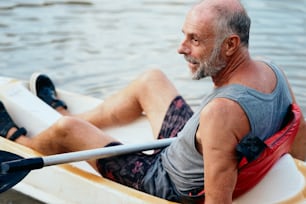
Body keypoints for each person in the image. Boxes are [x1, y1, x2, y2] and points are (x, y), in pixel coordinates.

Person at [1, 0, 306, 203]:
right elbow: (298, 130)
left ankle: (21, 140)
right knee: (152, 79)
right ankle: (64, 111)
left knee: (68, 129)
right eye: (184, 36)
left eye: (195, 40)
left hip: (160, 178)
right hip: (186, 144)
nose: (181, 48)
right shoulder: (271, 71)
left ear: (230, 45)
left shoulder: (222, 114)